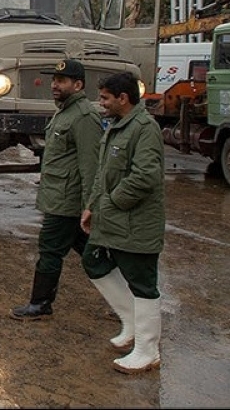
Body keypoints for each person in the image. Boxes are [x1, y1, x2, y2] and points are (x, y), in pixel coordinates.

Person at [81, 71, 166, 375]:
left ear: (123, 99)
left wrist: (111, 202)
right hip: (111, 218)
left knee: (143, 283)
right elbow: (104, 173)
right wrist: (92, 206)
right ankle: (131, 324)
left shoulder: (144, 128)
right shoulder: (118, 126)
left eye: (104, 97)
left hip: (135, 222)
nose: (100, 102)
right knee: (93, 261)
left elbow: (145, 177)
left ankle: (147, 350)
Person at [10, 59, 102, 321]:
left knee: (50, 250)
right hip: (60, 198)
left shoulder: (84, 117)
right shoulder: (65, 112)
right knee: (92, 252)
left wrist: (90, 205)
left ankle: (40, 304)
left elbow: (90, 166)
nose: (54, 85)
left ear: (78, 84)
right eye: (54, 80)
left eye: (61, 81)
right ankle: (128, 299)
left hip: (68, 201)